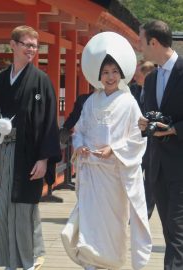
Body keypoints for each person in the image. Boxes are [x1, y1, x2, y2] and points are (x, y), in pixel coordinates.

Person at [61, 32, 151, 270]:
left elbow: (138, 137)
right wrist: (79, 144)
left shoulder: (129, 102)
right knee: (90, 224)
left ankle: (110, 264)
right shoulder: (91, 101)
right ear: (98, 76)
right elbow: (79, 129)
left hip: (115, 175)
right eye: (105, 72)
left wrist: (114, 149)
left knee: (112, 225)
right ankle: (91, 265)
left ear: (121, 74)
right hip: (92, 174)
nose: (110, 77)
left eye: (114, 72)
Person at [0, 25, 61, 270]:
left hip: (28, 155)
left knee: (24, 207)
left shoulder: (41, 81)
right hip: (3, 151)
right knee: (3, 205)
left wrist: (44, 158)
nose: (31, 49)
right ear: (13, 45)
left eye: (35, 45)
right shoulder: (2, 79)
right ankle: (9, 259)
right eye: (26, 44)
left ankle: (30, 258)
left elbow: (48, 121)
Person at [138, 20, 183, 270]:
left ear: (153, 42)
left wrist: (175, 128)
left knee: (177, 233)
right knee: (169, 231)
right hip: (157, 168)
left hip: (181, 165)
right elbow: (154, 115)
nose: (139, 46)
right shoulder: (152, 78)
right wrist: (146, 123)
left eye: (141, 40)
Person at [131, 60, 156, 219]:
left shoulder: (156, 91)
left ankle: (146, 213)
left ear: (147, 75)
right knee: (134, 177)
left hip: (153, 142)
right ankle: (131, 211)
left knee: (151, 181)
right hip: (134, 142)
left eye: (137, 73)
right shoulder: (131, 90)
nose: (134, 76)